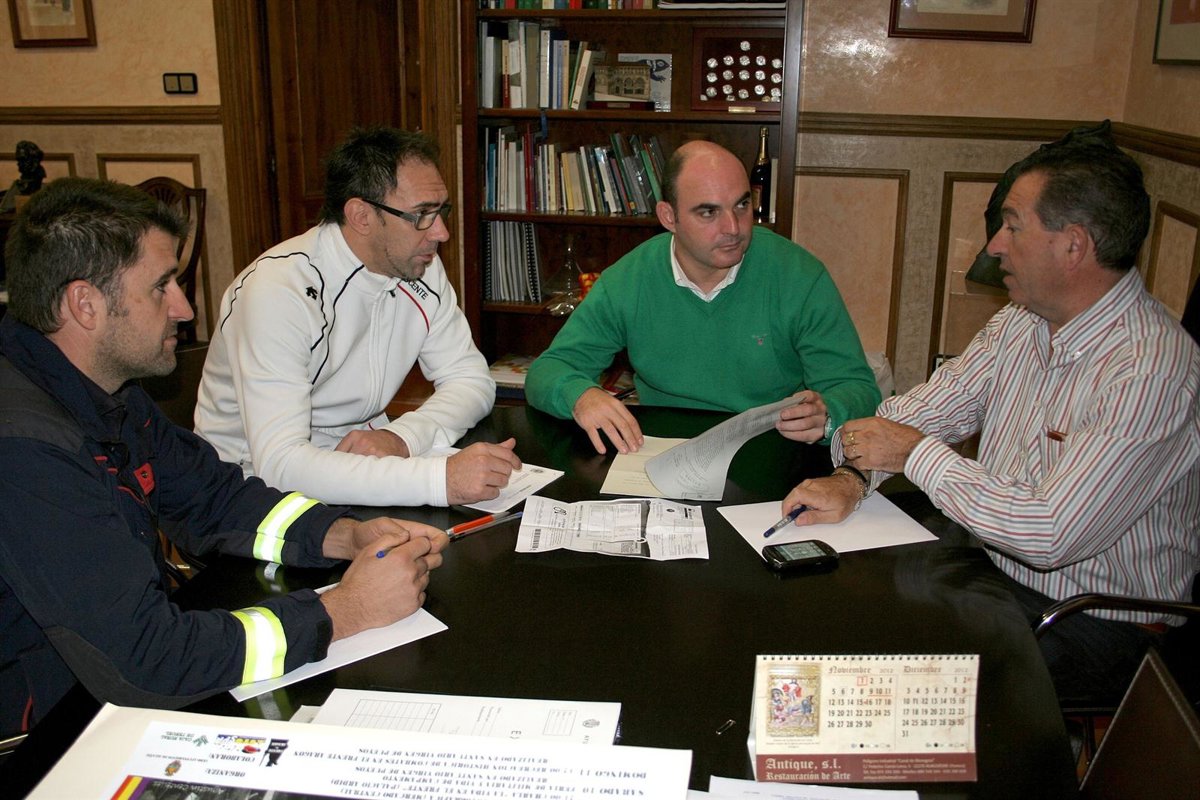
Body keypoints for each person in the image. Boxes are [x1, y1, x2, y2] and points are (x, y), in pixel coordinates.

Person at [0, 177, 448, 734]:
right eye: (161, 286)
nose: (184, 308)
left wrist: (344, 535)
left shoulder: (101, 389)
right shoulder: (26, 449)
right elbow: (147, 661)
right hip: (43, 731)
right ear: (85, 304)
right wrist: (342, 611)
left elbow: (213, 498)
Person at [782, 136, 1200, 701]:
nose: (995, 245)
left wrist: (912, 453)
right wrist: (853, 477)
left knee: (881, 669)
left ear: (1073, 245)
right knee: (830, 585)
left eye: (1012, 226)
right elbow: (913, 414)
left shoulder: (1151, 369)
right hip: (990, 566)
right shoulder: (1021, 322)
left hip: (1092, 618)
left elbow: (1050, 533)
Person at [195, 127, 521, 506]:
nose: (442, 233)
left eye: (441, 210)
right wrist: (439, 480)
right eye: (422, 215)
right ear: (361, 216)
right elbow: (280, 464)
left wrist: (403, 437)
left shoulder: (417, 265)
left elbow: (471, 380)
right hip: (243, 492)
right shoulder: (278, 291)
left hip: (357, 466)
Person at [524, 140, 880, 456]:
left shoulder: (798, 275)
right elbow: (548, 370)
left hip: (770, 448)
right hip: (663, 449)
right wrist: (581, 395)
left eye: (742, 205)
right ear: (669, 217)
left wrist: (828, 413)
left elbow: (857, 388)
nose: (733, 228)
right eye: (709, 212)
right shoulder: (629, 279)